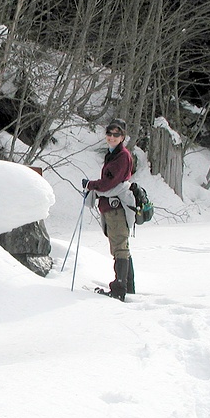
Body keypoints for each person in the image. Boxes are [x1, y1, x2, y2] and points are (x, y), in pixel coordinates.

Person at [82, 118, 136, 301]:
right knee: (121, 245)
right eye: (109, 134)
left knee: (119, 246)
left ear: (123, 136)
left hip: (116, 207)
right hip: (112, 206)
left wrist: (91, 185)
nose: (112, 137)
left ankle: (120, 289)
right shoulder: (113, 154)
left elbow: (108, 183)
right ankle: (128, 287)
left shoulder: (122, 156)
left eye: (116, 134)